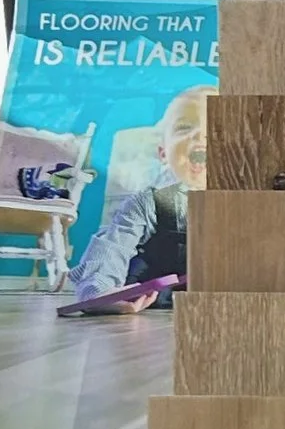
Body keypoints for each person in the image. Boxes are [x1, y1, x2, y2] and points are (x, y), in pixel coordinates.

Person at [65, 87, 206, 308]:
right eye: (185, 127)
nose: (200, 134)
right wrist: (100, 292)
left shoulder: (247, 203)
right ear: (163, 154)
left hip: (215, 293)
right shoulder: (147, 202)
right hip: (153, 294)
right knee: (115, 237)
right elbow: (112, 246)